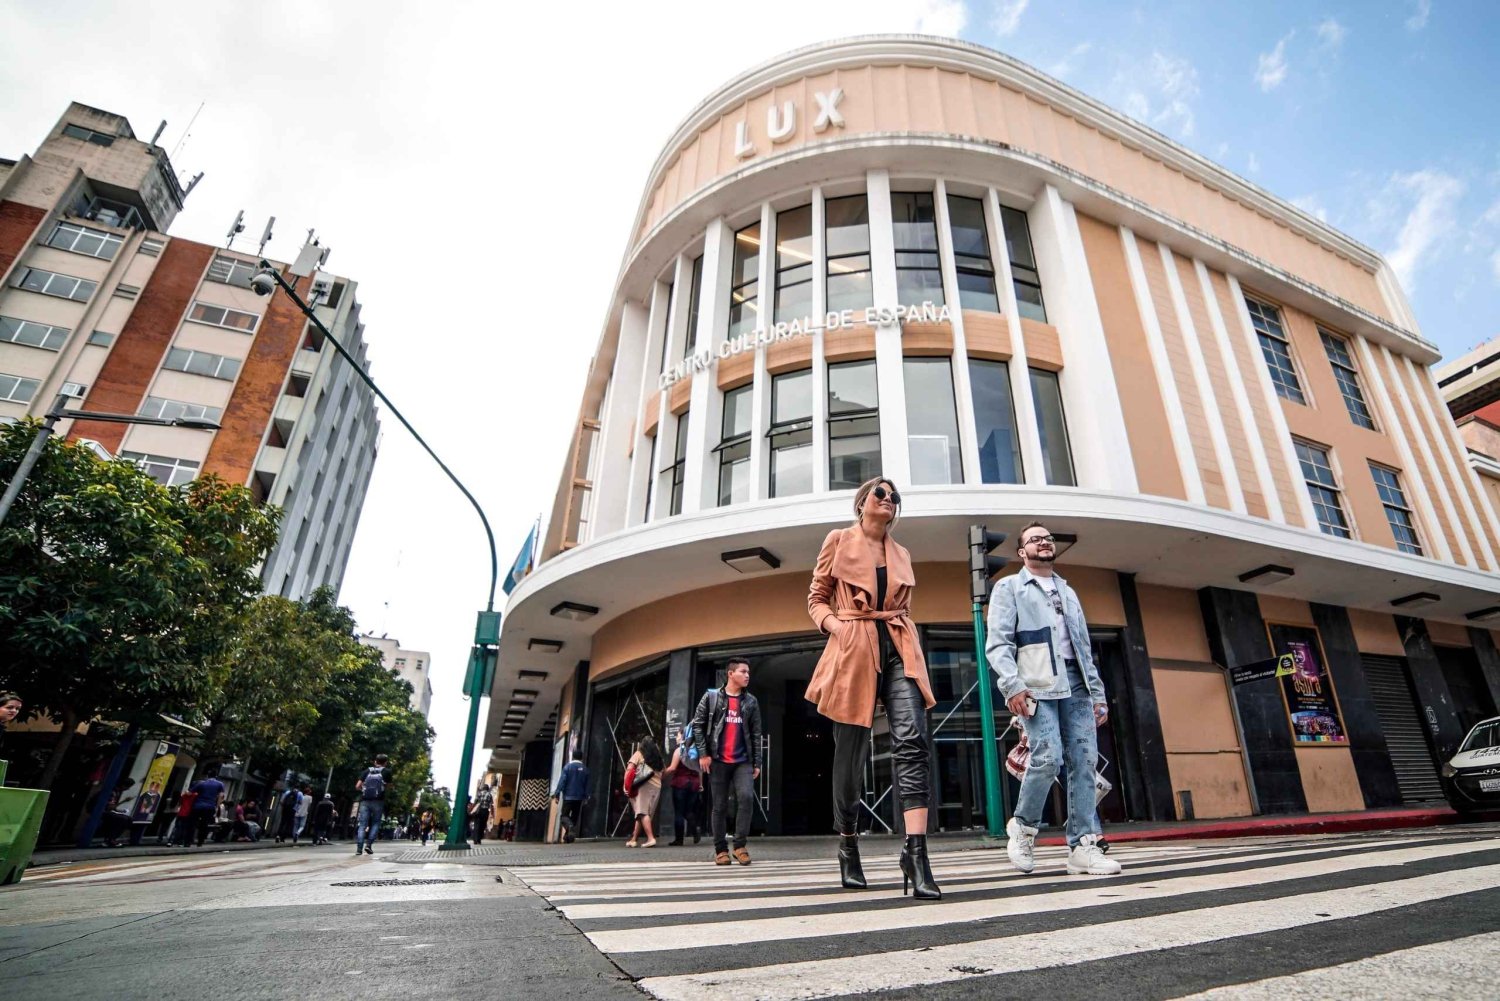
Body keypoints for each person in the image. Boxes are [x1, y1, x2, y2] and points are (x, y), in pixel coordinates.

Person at [806, 477, 941, 899]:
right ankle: (848, 842)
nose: (888, 499)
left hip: (899, 643)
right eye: (880, 493)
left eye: (894, 496)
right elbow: (817, 598)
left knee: (913, 741)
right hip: (854, 645)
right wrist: (838, 628)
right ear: (862, 502)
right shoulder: (838, 539)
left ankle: (916, 853)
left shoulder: (902, 553)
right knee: (850, 755)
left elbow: (904, 607)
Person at [987, 521, 1121, 877]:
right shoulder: (1009, 587)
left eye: (1047, 538)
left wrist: (1098, 693)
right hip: (1037, 682)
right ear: (1022, 552)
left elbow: (1083, 646)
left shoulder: (1068, 591)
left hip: (1077, 683)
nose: (1044, 542)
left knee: (1085, 762)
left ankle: (1083, 847)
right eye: (1035, 539)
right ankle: (1023, 827)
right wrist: (1012, 685)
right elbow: (998, 643)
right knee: (1048, 757)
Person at [691, 658, 762, 866]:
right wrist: (703, 754)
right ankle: (720, 850)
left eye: (748, 672)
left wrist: (757, 762)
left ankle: (739, 846)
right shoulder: (711, 697)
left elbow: (756, 734)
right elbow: (698, 725)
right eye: (743, 671)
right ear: (730, 674)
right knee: (720, 805)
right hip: (718, 760)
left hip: (743, 761)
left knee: (746, 798)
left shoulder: (751, 702)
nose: (747, 675)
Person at [663, 726, 702, 847]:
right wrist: (701, 784)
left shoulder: (679, 751)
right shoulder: (696, 751)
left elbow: (672, 768)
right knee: (688, 810)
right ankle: (695, 830)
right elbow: (700, 769)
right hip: (694, 784)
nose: (676, 737)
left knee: (679, 812)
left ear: (683, 736)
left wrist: (661, 775)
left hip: (680, 783)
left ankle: (679, 839)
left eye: (678, 735)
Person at [624, 737, 664, 848]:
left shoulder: (639, 754)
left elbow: (629, 769)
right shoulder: (658, 757)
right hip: (657, 786)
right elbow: (663, 772)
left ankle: (651, 838)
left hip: (643, 785)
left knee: (642, 812)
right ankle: (634, 839)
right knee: (642, 813)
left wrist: (626, 785)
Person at [354, 753, 393, 855]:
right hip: (378, 801)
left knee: (362, 825)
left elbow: (357, 786)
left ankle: (359, 849)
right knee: (375, 823)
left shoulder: (367, 771)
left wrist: (364, 790)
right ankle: (368, 845)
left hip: (365, 801)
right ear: (386, 763)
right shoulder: (387, 772)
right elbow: (389, 787)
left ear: (375, 761)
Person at [553, 754, 589, 843]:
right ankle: (568, 838)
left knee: (564, 816)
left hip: (568, 796)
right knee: (574, 817)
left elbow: (562, 782)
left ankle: (569, 828)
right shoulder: (585, 769)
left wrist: (557, 794)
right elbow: (587, 785)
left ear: (573, 757)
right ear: (582, 758)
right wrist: (586, 797)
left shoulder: (567, 767)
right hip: (579, 797)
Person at [187, 769, 226, 847]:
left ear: (207, 776)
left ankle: (188, 841)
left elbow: (189, 793)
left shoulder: (201, 783)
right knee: (204, 824)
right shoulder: (220, 784)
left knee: (192, 823)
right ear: (216, 776)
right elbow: (221, 796)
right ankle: (200, 842)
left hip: (197, 806)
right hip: (210, 807)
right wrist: (217, 806)